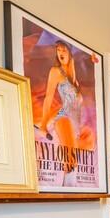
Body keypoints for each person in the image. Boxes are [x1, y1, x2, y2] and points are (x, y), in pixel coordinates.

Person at [37, 40, 83, 172]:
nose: (60, 53)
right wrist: (43, 125)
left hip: (75, 125)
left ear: (70, 53)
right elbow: (48, 97)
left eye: (64, 50)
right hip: (64, 118)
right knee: (69, 162)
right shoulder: (56, 71)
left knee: (73, 165)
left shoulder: (74, 78)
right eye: (58, 50)